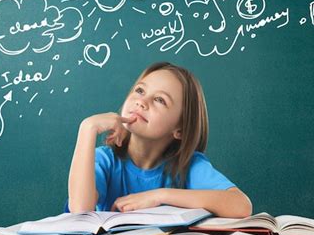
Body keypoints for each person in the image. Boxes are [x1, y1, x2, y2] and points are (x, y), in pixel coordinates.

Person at [67, 62, 252, 217]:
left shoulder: (188, 166)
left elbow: (241, 206)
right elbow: (80, 210)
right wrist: (87, 128)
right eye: (140, 90)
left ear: (179, 129)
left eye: (160, 100)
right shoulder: (105, 160)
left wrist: (160, 196)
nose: (142, 101)